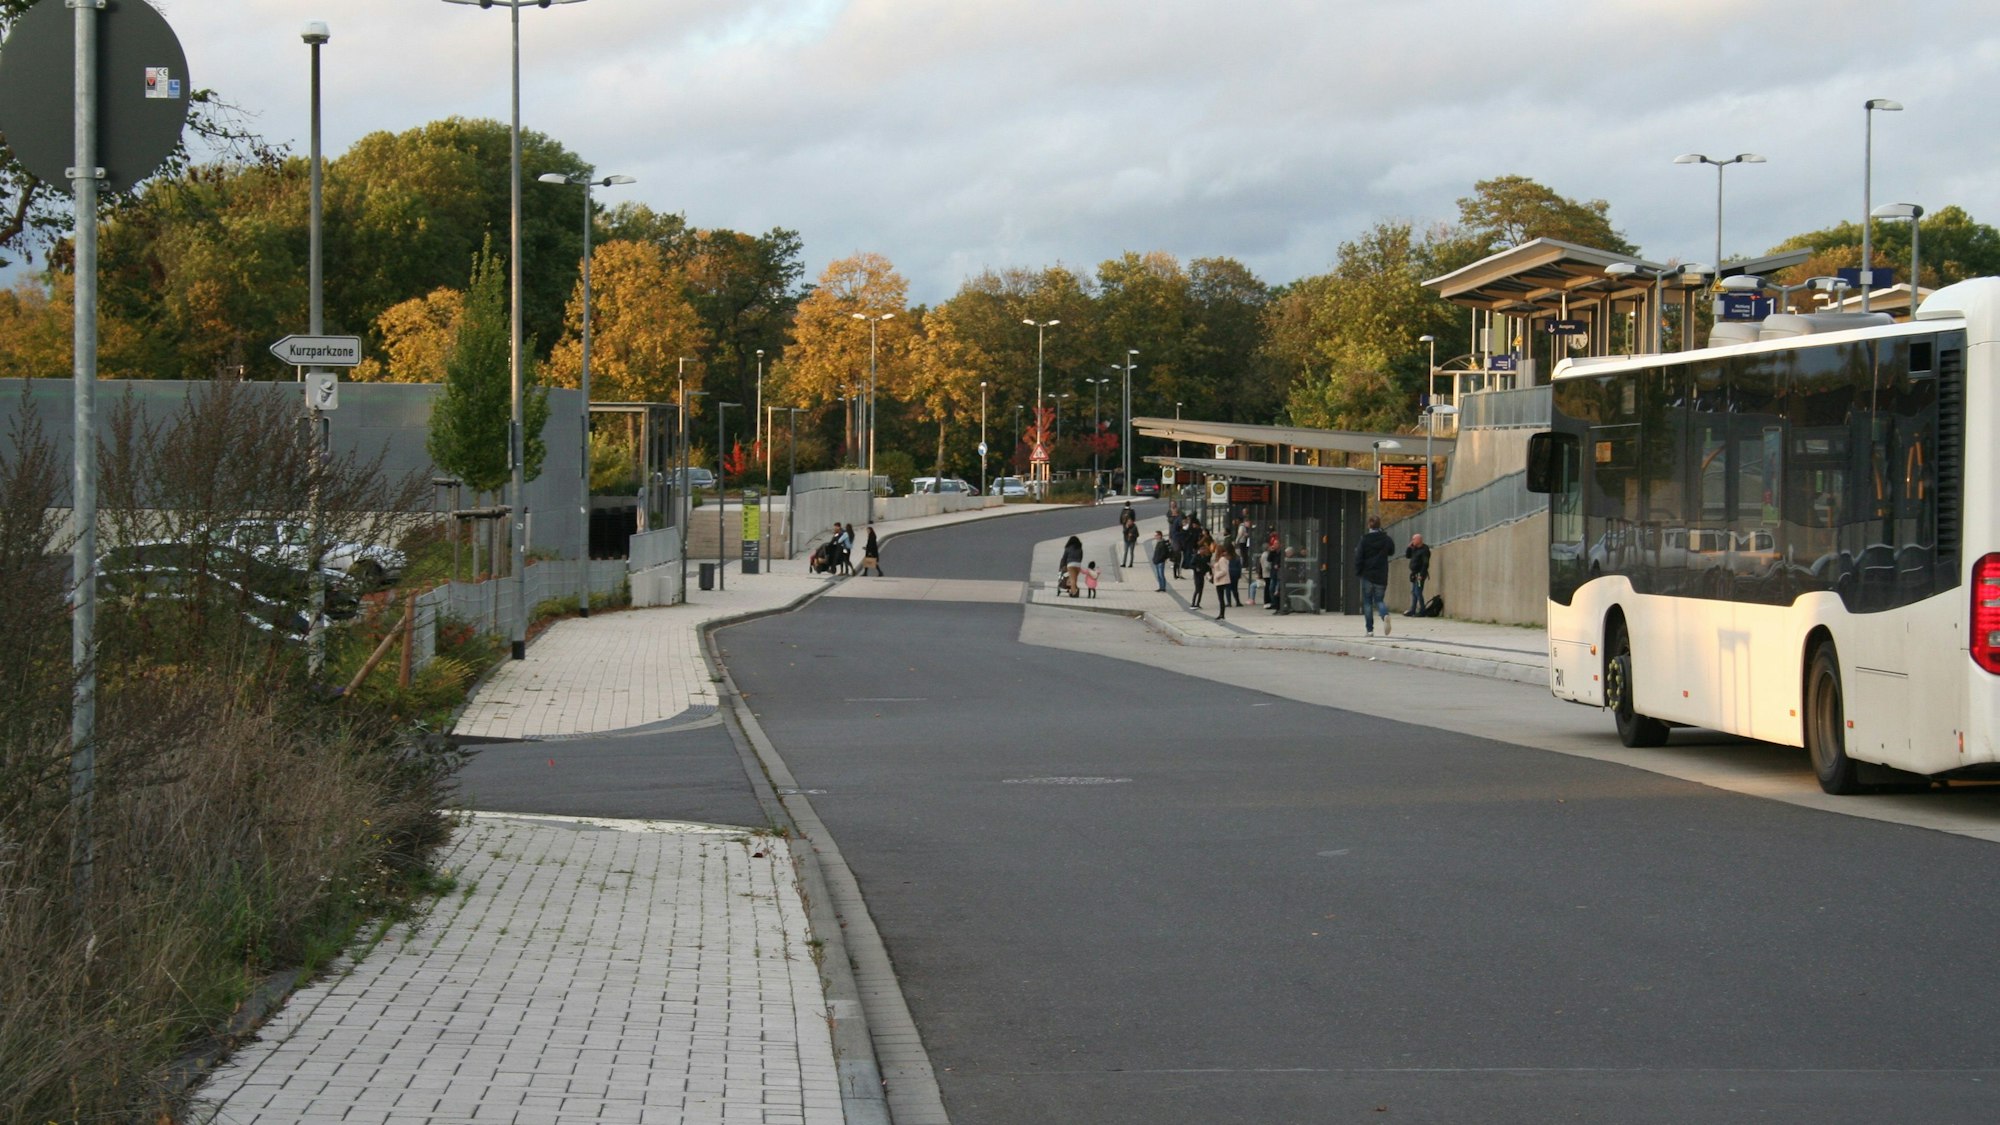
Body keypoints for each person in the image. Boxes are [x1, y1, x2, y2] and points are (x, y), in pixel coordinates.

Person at [1356, 516, 1394, 636]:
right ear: (1379, 525)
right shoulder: (1386, 539)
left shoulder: (1364, 539)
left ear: (1369, 525)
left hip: (1367, 574)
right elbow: (1392, 551)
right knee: (1379, 600)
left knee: (1367, 602)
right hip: (1381, 574)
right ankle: (1384, 615)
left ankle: (1370, 630)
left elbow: (1359, 556)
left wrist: (1358, 570)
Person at [1404, 532, 1431, 615]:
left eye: (1414, 539)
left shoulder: (1425, 550)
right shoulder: (1415, 549)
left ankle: (1422, 610)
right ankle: (1413, 610)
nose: (1412, 541)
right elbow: (1408, 556)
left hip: (1420, 574)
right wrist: (1409, 547)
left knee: (1418, 591)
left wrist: (1422, 575)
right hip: (1414, 573)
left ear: (1419, 540)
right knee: (1414, 591)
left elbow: (1425, 564)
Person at [1189, 537, 1212, 609]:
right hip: (1197, 575)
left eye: (1205, 549)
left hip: (1202, 574)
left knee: (1201, 589)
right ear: (1199, 550)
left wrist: (1209, 572)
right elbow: (1191, 564)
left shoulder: (1205, 557)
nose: (1204, 551)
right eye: (1202, 549)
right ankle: (1193, 603)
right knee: (1197, 589)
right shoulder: (1196, 557)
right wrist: (1196, 568)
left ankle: (1198, 603)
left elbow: (1207, 565)